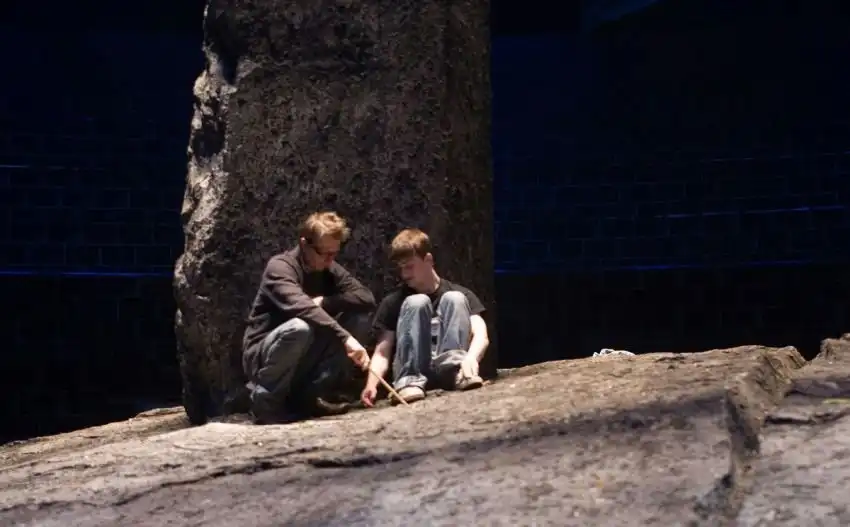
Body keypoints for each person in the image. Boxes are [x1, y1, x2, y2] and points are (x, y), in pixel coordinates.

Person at [242, 211, 376, 424]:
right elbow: (304, 308)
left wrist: (326, 302)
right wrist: (346, 338)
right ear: (304, 244)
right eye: (325, 253)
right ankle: (266, 403)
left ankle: (313, 395)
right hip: (265, 354)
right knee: (299, 327)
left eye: (335, 253)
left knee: (358, 316)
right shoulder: (280, 268)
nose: (330, 260)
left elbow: (366, 297)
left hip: (304, 354)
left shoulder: (328, 268)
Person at [361, 228, 489, 406]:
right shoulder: (393, 302)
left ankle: (456, 371)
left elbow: (481, 334)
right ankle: (409, 380)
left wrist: (471, 358)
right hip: (413, 376)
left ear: (428, 260)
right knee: (416, 302)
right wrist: (371, 385)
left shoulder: (461, 293)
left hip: (450, 372)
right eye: (401, 268)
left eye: (409, 266)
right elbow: (383, 351)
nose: (404, 274)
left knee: (455, 299)